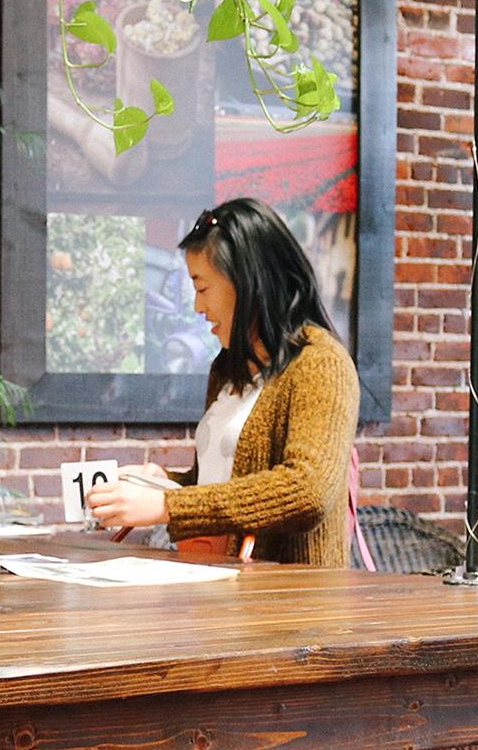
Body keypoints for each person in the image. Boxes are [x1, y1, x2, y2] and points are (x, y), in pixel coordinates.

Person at [86, 197, 358, 567]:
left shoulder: (320, 363)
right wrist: (163, 481)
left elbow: (308, 491)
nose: (198, 308)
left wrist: (166, 505)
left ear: (248, 283)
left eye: (202, 288)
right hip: (223, 591)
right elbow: (222, 487)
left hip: (291, 606)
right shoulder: (228, 369)